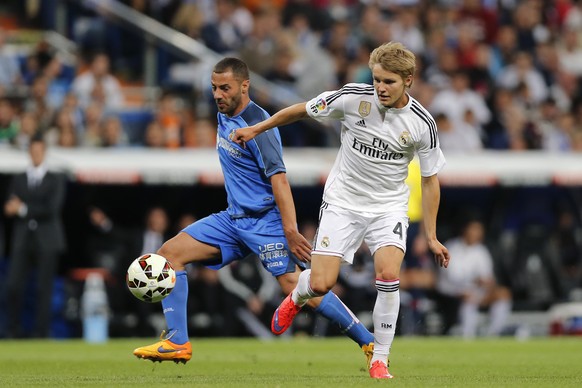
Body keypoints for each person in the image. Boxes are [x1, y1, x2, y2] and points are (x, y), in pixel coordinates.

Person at [133, 57, 374, 366]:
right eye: (214, 88)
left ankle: (368, 342)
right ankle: (177, 341)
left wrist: (290, 230)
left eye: (225, 88)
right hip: (233, 219)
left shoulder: (259, 126)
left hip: (265, 222)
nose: (218, 95)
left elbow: (280, 181)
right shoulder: (221, 114)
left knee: (295, 286)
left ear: (244, 86)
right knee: (169, 254)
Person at [233, 41, 451, 379]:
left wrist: (432, 236)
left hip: (388, 207)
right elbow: (301, 110)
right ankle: (298, 295)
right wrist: (257, 128)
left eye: (389, 81)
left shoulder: (422, 123)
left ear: (408, 80)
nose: (380, 87)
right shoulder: (352, 98)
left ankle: (380, 358)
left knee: (389, 275)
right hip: (343, 203)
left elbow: (430, 180)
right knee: (321, 284)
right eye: (377, 78)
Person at [2, 134, 66, 338]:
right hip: (22, 239)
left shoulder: (55, 179)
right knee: (13, 286)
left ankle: (41, 332)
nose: (36, 154)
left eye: (39, 150)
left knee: (43, 289)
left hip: (46, 240)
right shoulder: (19, 179)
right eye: (33, 150)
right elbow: (11, 204)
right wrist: (14, 208)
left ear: (44, 152)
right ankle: (12, 329)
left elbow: (51, 209)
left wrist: (22, 209)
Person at [435, 218, 512, 338]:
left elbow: (488, 278)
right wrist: (472, 282)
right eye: (474, 229)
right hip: (453, 290)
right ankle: (467, 335)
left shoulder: (481, 250)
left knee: (503, 293)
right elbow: (451, 278)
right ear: (465, 230)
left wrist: (486, 283)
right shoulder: (452, 247)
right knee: (468, 298)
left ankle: (493, 333)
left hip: (476, 292)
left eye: (479, 230)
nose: (477, 233)